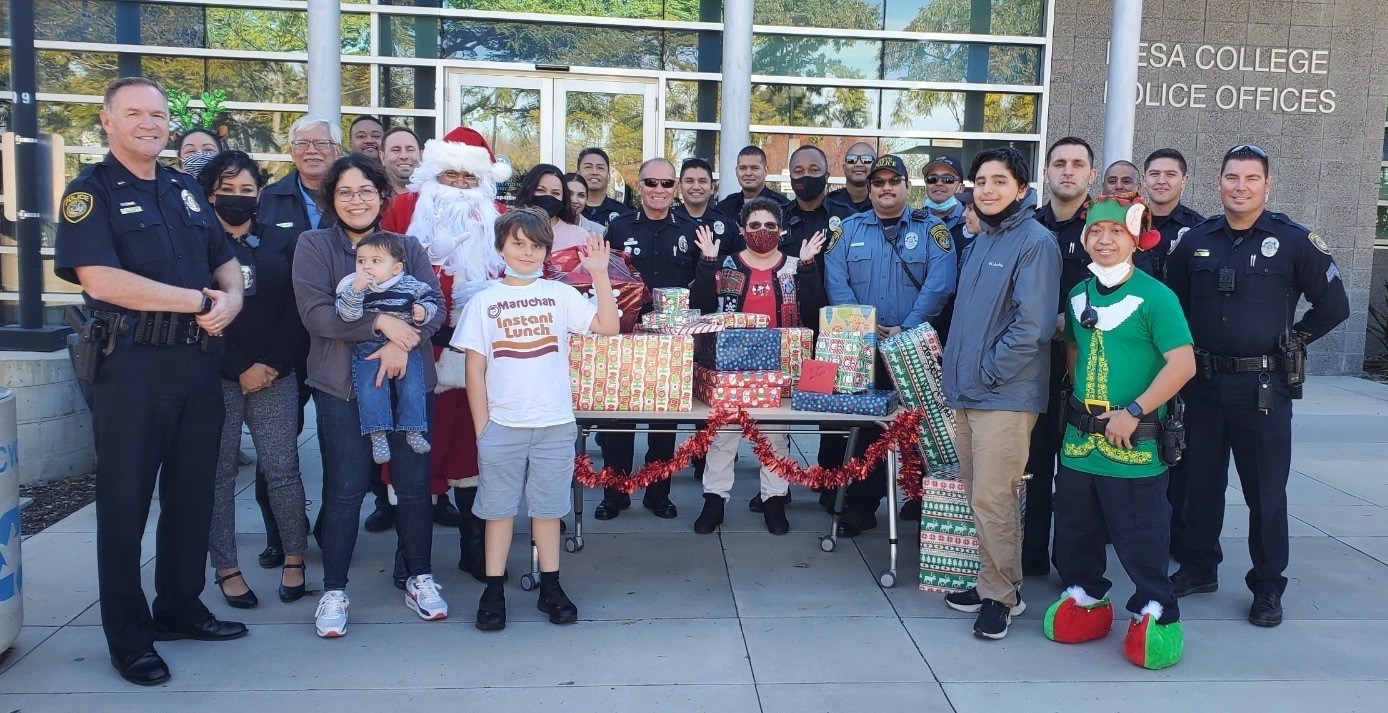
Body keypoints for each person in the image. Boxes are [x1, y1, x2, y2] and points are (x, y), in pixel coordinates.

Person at [54, 76, 248, 686]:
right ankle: (129, 636)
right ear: (107, 121)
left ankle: (180, 606)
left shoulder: (185, 190)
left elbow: (225, 259)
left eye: (159, 114)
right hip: (134, 366)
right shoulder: (90, 193)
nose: (150, 123)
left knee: (194, 493)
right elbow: (101, 281)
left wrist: (232, 300)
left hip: (196, 364)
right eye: (134, 113)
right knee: (125, 504)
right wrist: (198, 299)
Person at [1167, 144, 1349, 628]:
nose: (1240, 186)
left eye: (1251, 178)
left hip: (1263, 388)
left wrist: (1295, 341)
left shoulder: (1294, 242)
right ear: (1219, 183)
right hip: (1202, 384)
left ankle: (1268, 587)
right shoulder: (1195, 240)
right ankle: (1199, 568)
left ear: (1267, 185)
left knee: (1265, 494)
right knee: (1199, 486)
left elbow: (1334, 306)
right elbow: (1173, 305)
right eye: (1232, 177)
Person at [294, 154, 447, 637]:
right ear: (330, 198)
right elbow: (318, 315)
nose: (356, 200)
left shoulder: (406, 245)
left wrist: (406, 342)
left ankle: (419, 576)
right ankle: (335, 591)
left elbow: (436, 307)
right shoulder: (315, 245)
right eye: (345, 191)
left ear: (382, 195)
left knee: (414, 483)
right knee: (344, 489)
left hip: (409, 386)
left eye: (365, 190)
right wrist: (382, 324)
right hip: (341, 386)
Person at [1044, 193, 1195, 669]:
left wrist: (1134, 408)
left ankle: (1156, 609)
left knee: (1141, 533)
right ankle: (1086, 596)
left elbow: (1183, 363)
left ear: (1135, 238)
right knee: (1074, 530)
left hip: (1134, 441)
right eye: (1095, 232)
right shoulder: (1078, 293)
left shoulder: (1156, 296)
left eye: (1115, 231)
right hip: (1079, 441)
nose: (1103, 239)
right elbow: (1073, 351)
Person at [457, 212, 620, 631]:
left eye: (536, 246)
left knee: (548, 510)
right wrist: (482, 429)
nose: (527, 253)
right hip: (503, 427)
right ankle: (493, 589)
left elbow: (607, 327)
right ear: (501, 249)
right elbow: (474, 370)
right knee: (498, 511)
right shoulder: (484, 301)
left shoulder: (558, 294)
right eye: (518, 244)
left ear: (546, 252)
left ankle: (551, 586)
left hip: (553, 423)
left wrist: (599, 275)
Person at [380, 125, 513, 581]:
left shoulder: (500, 217)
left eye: (467, 178)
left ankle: (473, 549)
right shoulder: (404, 210)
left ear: (483, 182)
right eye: (449, 175)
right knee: (416, 452)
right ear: (433, 173)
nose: (457, 184)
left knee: (472, 452)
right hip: (416, 354)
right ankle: (410, 554)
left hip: (478, 359)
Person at [940, 146, 1060, 640]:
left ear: (1023, 190)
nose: (988, 189)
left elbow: (1032, 327)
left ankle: (1000, 597)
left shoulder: (1036, 242)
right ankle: (992, 579)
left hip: (1004, 395)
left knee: (994, 498)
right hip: (968, 393)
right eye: (982, 181)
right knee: (978, 495)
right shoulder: (980, 241)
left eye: (999, 181)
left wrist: (988, 373)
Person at [199, 150, 311, 612]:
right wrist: (239, 366)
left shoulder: (281, 241)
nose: (238, 198)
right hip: (218, 374)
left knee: (282, 470)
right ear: (209, 195)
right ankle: (226, 566)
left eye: (248, 190)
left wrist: (272, 363)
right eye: (228, 190)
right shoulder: (198, 245)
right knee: (219, 476)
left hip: (275, 373)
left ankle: (295, 557)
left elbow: (298, 307)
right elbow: (200, 312)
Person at [823, 154, 957, 537]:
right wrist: (863, 327)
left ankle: (922, 499)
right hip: (863, 349)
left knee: (920, 425)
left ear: (906, 186)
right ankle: (862, 507)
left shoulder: (932, 230)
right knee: (867, 429)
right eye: (878, 183)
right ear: (871, 188)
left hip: (913, 346)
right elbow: (836, 280)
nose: (885, 188)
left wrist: (907, 327)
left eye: (893, 182)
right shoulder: (847, 230)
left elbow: (941, 283)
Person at [690, 197, 827, 534]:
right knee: (724, 436)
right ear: (741, 230)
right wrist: (707, 263)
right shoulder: (726, 265)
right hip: (732, 367)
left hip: (781, 366)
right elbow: (700, 311)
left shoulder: (797, 266)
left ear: (781, 230)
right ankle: (714, 501)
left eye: (769, 225)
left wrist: (809, 269)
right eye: (754, 226)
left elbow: (815, 314)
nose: (762, 231)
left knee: (775, 437)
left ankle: (774, 500)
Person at [596, 158, 700, 521]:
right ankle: (616, 492)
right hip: (626, 334)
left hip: (669, 340)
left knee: (664, 422)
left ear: (675, 188)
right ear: (638, 185)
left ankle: (658, 493)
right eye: (651, 183)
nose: (659, 190)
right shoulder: (619, 227)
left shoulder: (690, 228)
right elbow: (604, 278)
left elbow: (701, 285)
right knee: (619, 419)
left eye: (666, 184)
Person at [256, 116, 341, 545]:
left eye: (322, 143)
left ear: (336, 150)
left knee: (338, 445)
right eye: (303, 143)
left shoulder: (351, 196)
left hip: (334, 340)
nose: (313, 150)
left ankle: (331, 527)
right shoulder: (267, 199)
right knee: (277, 448)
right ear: (291, 151)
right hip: (280, 343)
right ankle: (280, 535)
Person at [1025, 135, 1098, 576]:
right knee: (1032, 465)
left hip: (1085, 369)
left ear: (1091, 174)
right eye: (1059, 163)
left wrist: (1067, 323)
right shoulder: (1028, 225)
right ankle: (1030, 556)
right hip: (1032, 368)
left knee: (1075, 475)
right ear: (1047, 172)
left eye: (1077, 164)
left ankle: (1073, 567)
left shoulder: (1104, 229)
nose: (1067, 171)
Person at [335, 232, 441, 463]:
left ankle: (414, 429)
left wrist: (423, 312)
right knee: (371, 389)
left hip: (405, 346)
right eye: (361, 261)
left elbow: (432, 302)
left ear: (395, 268)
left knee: (413, 386)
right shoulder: (353, 285)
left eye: (376, 261)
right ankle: (377, 434)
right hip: (367, 347)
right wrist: (356, 289)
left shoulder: (412, 285)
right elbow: (347, 315)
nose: (366, 267)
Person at [783, 145, 854, 271]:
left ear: (826, 176)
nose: (806, 176)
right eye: (798, 171)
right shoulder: (777, 219)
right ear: (791, 178)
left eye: (814, 170)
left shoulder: (848, 218)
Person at [1140, 148, 1204, 281]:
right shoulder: (1127, 222)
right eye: (1154, 174)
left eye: (1170, 174)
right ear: (1144, 180)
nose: (1161, 181)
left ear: (1184, 180)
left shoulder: (1199, 228)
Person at [512, 163, 593, 251]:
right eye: (540, 190)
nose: (548, 196)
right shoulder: (509, 230)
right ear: (528, 191)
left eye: (555, 193)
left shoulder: (579, 236)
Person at [675, 157, 738, 254]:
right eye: (689, 181)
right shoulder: (667, 222)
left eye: (702, 181)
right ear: (679, 186)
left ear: (712, 187)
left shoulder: (728, 225)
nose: (696, 187)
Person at [715, 146, 791, 220]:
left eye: (755, 168)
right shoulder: (724, 208)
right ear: (736, 171)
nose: (748, 173)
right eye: (743, 168)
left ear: (766, 170)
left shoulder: (783, 207)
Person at [577, 147, 630, 227]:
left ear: (608, 177)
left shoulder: (622, 213)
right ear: (577, 174)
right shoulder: (568, 211)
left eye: (600, 168)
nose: (594, 172)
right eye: (588, 167)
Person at [825, 142, 876, 215]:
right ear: (844, 167)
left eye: (866, 160)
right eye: (851, 160)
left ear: (875, 167)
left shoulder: (883, 202)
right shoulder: (829, 202)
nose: (859, 164)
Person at [920, 155, 967, 232]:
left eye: (948, 179)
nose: (939, 183)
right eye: (932, 179)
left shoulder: (975, 221)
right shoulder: (914, 221)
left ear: (961, 188)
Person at [381, 126, 422, 194]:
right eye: (396, 150)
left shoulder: (437, 198)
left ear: (421, 155)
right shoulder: (370, 198)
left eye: (410, 150)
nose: (404, 156)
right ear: (382, 157)